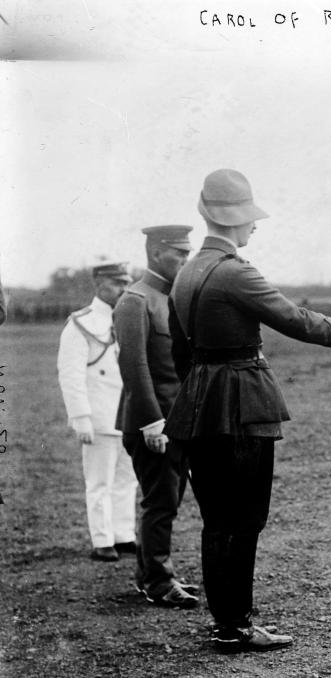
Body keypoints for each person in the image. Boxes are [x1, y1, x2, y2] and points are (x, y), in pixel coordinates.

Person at [165, 168, 331, 653]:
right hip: (240, 407)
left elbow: (181, 352)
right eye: (249, 219)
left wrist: (199, 389)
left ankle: (226, 622)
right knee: (245, 517)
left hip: (198, 405)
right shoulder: (235, 271)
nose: (254, 226)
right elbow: (293, 318)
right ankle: (236, 625)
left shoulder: (187, 273)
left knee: (218, 518)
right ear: (235, 222)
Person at [114, 225, 198, 608]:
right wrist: (152, 421)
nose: (185, 259)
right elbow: (134, 366)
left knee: (168, 498)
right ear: (156, 253)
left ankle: (151, 575)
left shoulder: (173, 299)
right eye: (179, 253)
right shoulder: (135, 301)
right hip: (154, 424)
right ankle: (158, 582)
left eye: (187, 252)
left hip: (177, 421)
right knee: (160, 501)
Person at [57, 262, 138, 561]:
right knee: (99, 480)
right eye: (117, 283)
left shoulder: (129, 318)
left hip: (128, 415)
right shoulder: (81, 323)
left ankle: (124, 534)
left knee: (127, 478)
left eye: (127, 283)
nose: (124, 289)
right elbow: (70, 374)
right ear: (99, 284)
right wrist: (80, 417)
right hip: (100, 416)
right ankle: (102, 539)